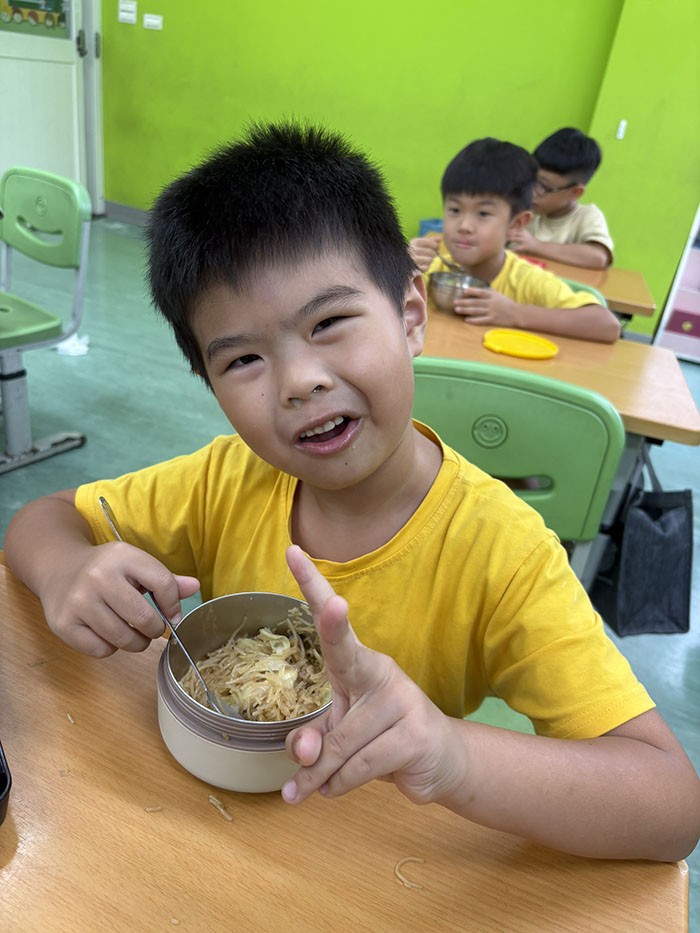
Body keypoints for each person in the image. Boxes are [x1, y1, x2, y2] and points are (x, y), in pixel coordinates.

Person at [5, 122, 699, 862]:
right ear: (208, 383)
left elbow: (671, 806)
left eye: (330, 321)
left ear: (410, 315)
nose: (299, 380)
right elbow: (44, 517)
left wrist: (451, 753)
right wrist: (67, 569)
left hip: (379, 855)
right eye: (242, 360)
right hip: (215, 834)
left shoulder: (502, 551)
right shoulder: (223, 480)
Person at [409, 137, 620, 343]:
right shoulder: (429, 269)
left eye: (483, 214)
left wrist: (515, 313)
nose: (464, 226)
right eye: (455, 210)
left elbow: (607, 325)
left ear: (516, 225)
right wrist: (402, 270)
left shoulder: (526, 280)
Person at [509, 127, 614, 269]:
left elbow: (598, 257)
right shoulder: (524, 209)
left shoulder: (586, 216)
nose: (532, 192)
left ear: (575, 192)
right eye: (530, 180)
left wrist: (537, 246)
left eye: (543, 187)